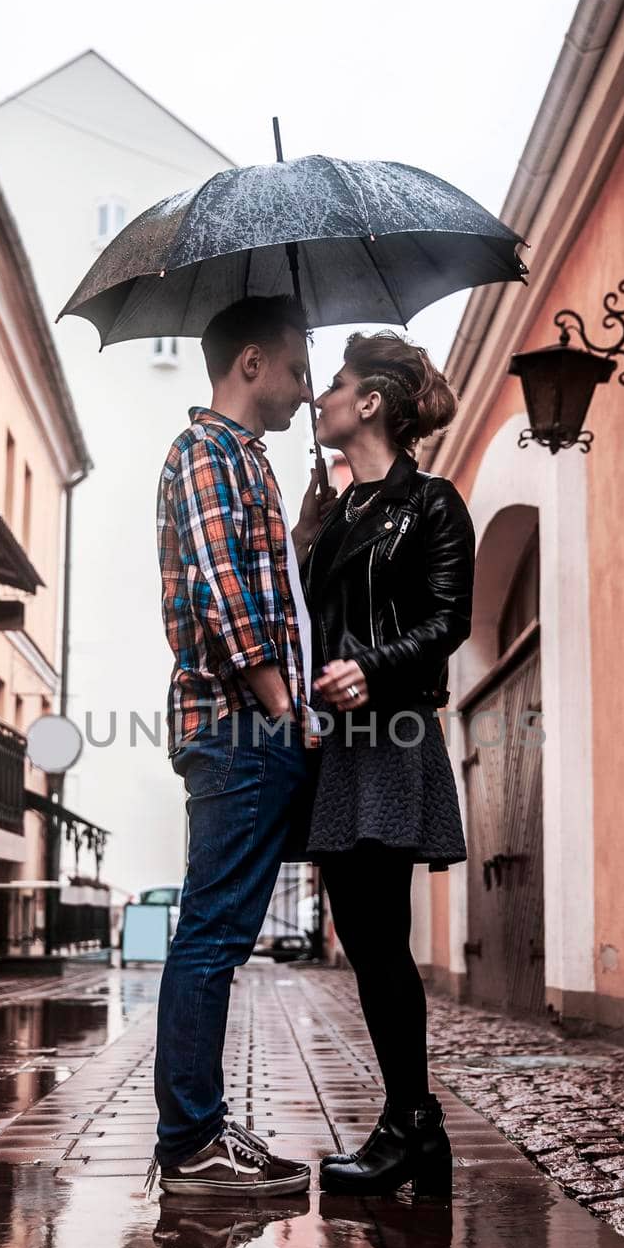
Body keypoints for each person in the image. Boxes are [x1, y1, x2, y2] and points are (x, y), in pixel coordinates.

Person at [149, 295, 337, 1196]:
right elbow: (226, 600)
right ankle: (190, 1144)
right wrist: (282, 706)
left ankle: (200, 1131)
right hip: (238, 725)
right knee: (212, 936)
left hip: (243, 724)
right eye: (300, 370)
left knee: (217, 933)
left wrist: (300, 529)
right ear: (252, 363)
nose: (307, 390)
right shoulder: (208, 453)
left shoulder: (244, 464)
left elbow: (260, 579)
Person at [296, 330, 475, 1198]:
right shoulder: (335, 514)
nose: (320, 398)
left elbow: (449, 621)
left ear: (371, 403)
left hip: (394, 733)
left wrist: (371, 667)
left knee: (381, 941)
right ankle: (414, 1125)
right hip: (335, 746)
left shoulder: (433, 504)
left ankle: (411, 1123)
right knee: (366, 942)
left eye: (334, 386)